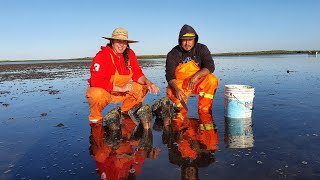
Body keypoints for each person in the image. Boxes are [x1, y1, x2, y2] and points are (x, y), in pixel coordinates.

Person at [86, 27, 159, 126]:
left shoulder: (130, 54)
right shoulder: (102, 56)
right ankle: (95, 122)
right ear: (112, 41)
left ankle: (126, 113)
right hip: (107, 91)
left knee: (143, 87)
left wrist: (149, 82)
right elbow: (96, 81)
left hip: (123, 91)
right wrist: (120, 88)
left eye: (124, 42)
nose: (121, 45)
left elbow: (137, 74)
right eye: (118, 41)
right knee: (96, 94)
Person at [165, 24, 218, 114]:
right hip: (181, 85)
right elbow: (170, 75)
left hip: (197, 82)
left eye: (190, 40)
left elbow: (210, 66)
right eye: (184, 40)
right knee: (171, 91)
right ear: (180, 41)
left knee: (212, 80)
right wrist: (176, 89)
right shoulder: (173, 53)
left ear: (195, 40)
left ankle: (204, 112)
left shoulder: (202, 49)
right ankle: (181, 115)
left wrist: (196, 76)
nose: (187, 43)